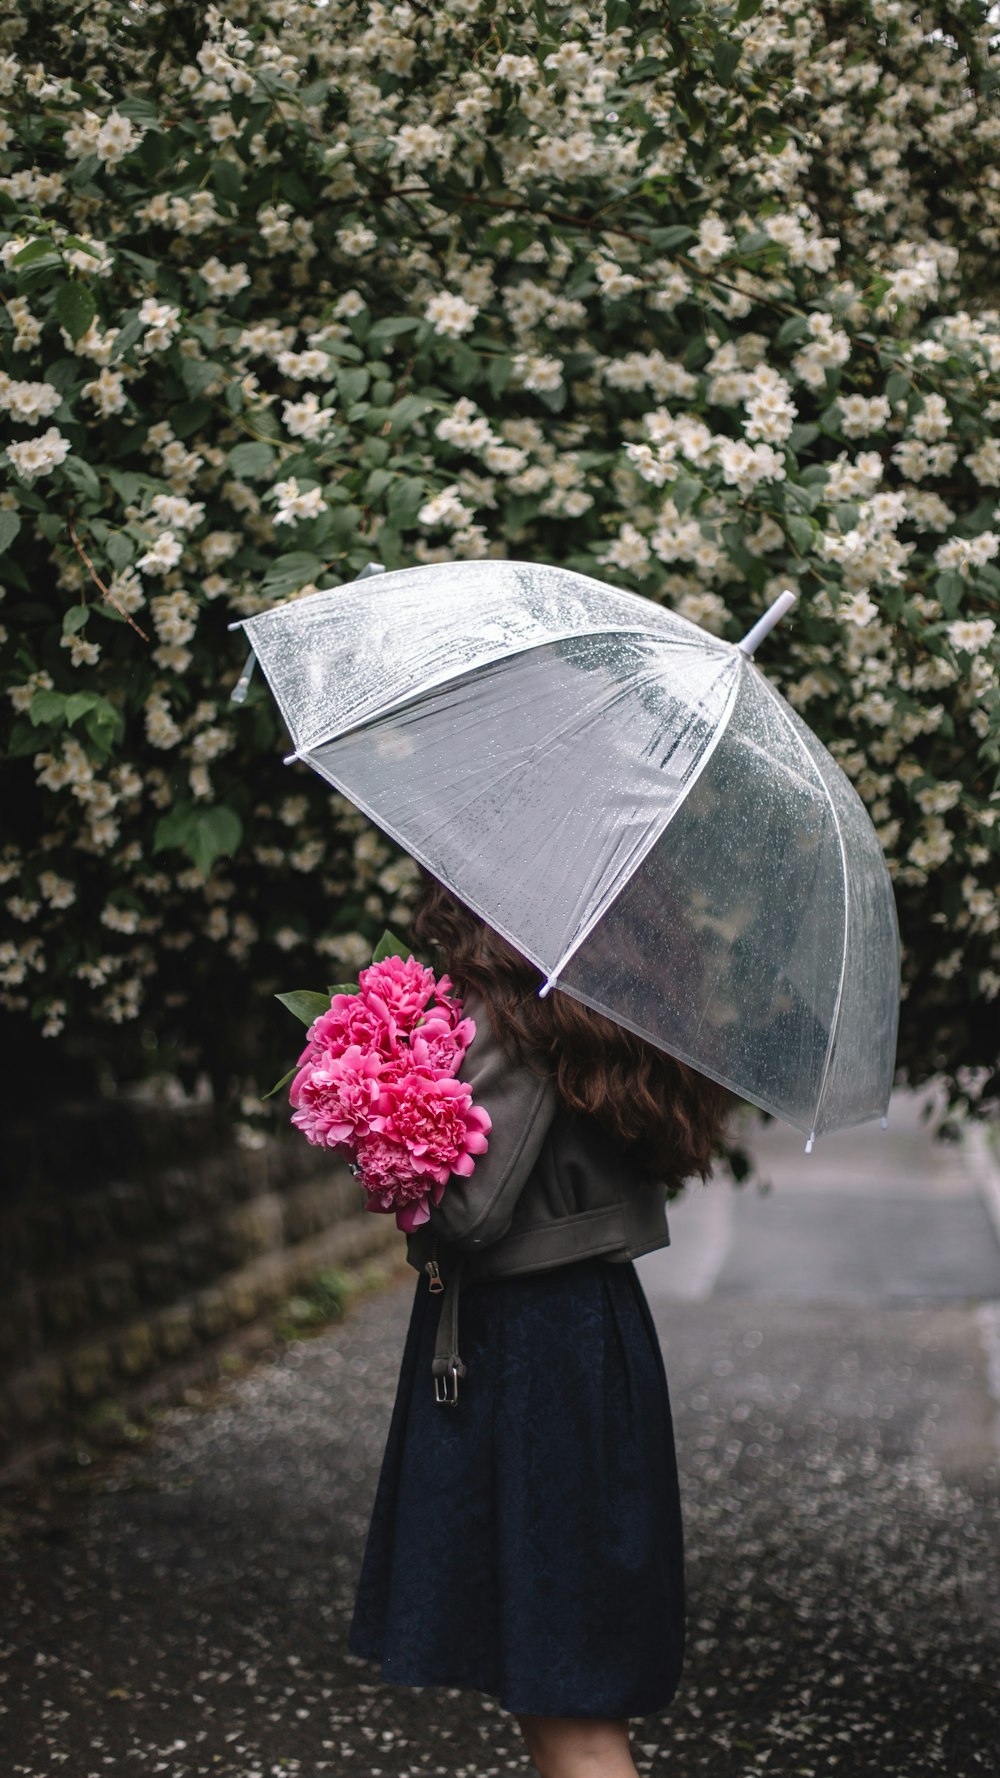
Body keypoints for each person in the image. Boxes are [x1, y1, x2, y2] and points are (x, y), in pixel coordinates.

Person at [348, 875, 733, 1778]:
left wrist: (380, 1114)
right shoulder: (607, 990)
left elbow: (470, 1208)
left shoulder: (522, 1001)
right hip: (581, 1337)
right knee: (559, 1686)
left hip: (532, 1354)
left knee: (571, 1706)